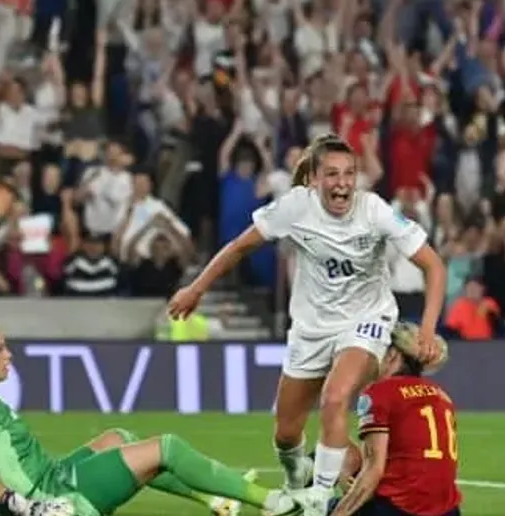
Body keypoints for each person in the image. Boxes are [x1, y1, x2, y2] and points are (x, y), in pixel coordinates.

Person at [167, 133, 448, 516]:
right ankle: (300, 481)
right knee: (286, 434)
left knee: (335, 398)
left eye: (349, 173)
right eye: (332, 174)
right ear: (314, 179)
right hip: (311, 328)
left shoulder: (375, 211)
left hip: (367, 320)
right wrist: (197, 288)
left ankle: (319, 497)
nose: (343, 183)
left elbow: (433, 265)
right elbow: (239, 247)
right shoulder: (295, 207)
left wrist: (428, 329)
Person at [0, 313, 308, 516]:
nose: (8, 354)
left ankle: (217, 499)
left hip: (51, 477)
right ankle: (273, 503)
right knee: (168, 448)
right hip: (55, 494)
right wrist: (25, 508)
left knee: (118, 437)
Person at [329, 322, 461, 516]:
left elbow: (374, 470)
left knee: (322, 504)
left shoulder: (380, 392)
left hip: (400, 508)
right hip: (448, 511)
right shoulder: (441, 394)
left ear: (391, 355)